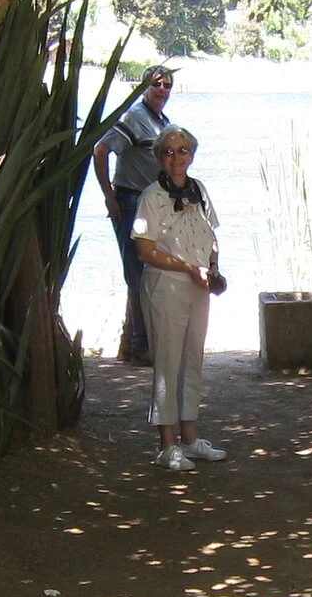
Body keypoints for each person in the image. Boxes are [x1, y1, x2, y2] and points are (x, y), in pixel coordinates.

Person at [133, 126, 228, 471]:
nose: (177, 157)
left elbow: (211, 234)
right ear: (159, 157)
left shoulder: (198, 190)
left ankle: (190, 438)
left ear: (192, 154)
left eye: (183, 150)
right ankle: (166, 445)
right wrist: (189, 269)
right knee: (168, 362)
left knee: (192, 360)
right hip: (166, 286)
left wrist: (212, 267)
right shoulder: (151, 197)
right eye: (170, 151)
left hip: (198, 285)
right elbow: (144, 250)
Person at [92, 63, 176, 364]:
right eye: (156, 84)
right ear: (144, 88)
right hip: (131, 203)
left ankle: (133, 344)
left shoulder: (160, 121)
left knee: (151, 273)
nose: (162, 90)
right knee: (139, 274)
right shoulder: (134, 118)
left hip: (153, 205)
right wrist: (109, 198)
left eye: (167, 85)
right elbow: (100, 151)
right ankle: (142, 347)